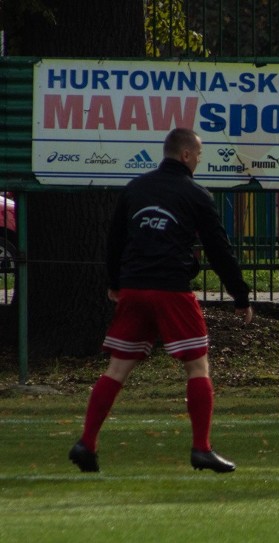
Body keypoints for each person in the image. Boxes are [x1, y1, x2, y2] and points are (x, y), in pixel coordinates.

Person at [69, 128, 253, 474]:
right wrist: (240, 295)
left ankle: (87, 442)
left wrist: (115, 282)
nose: (199, 159)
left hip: (135, 288)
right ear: (185, 155)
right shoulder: (197, 195)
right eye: (198, 153)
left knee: (118, 368)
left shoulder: (136, 188)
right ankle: (201, 449)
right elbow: (218, 248)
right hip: (171, 289)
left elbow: (114, 240)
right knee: (197, 366)